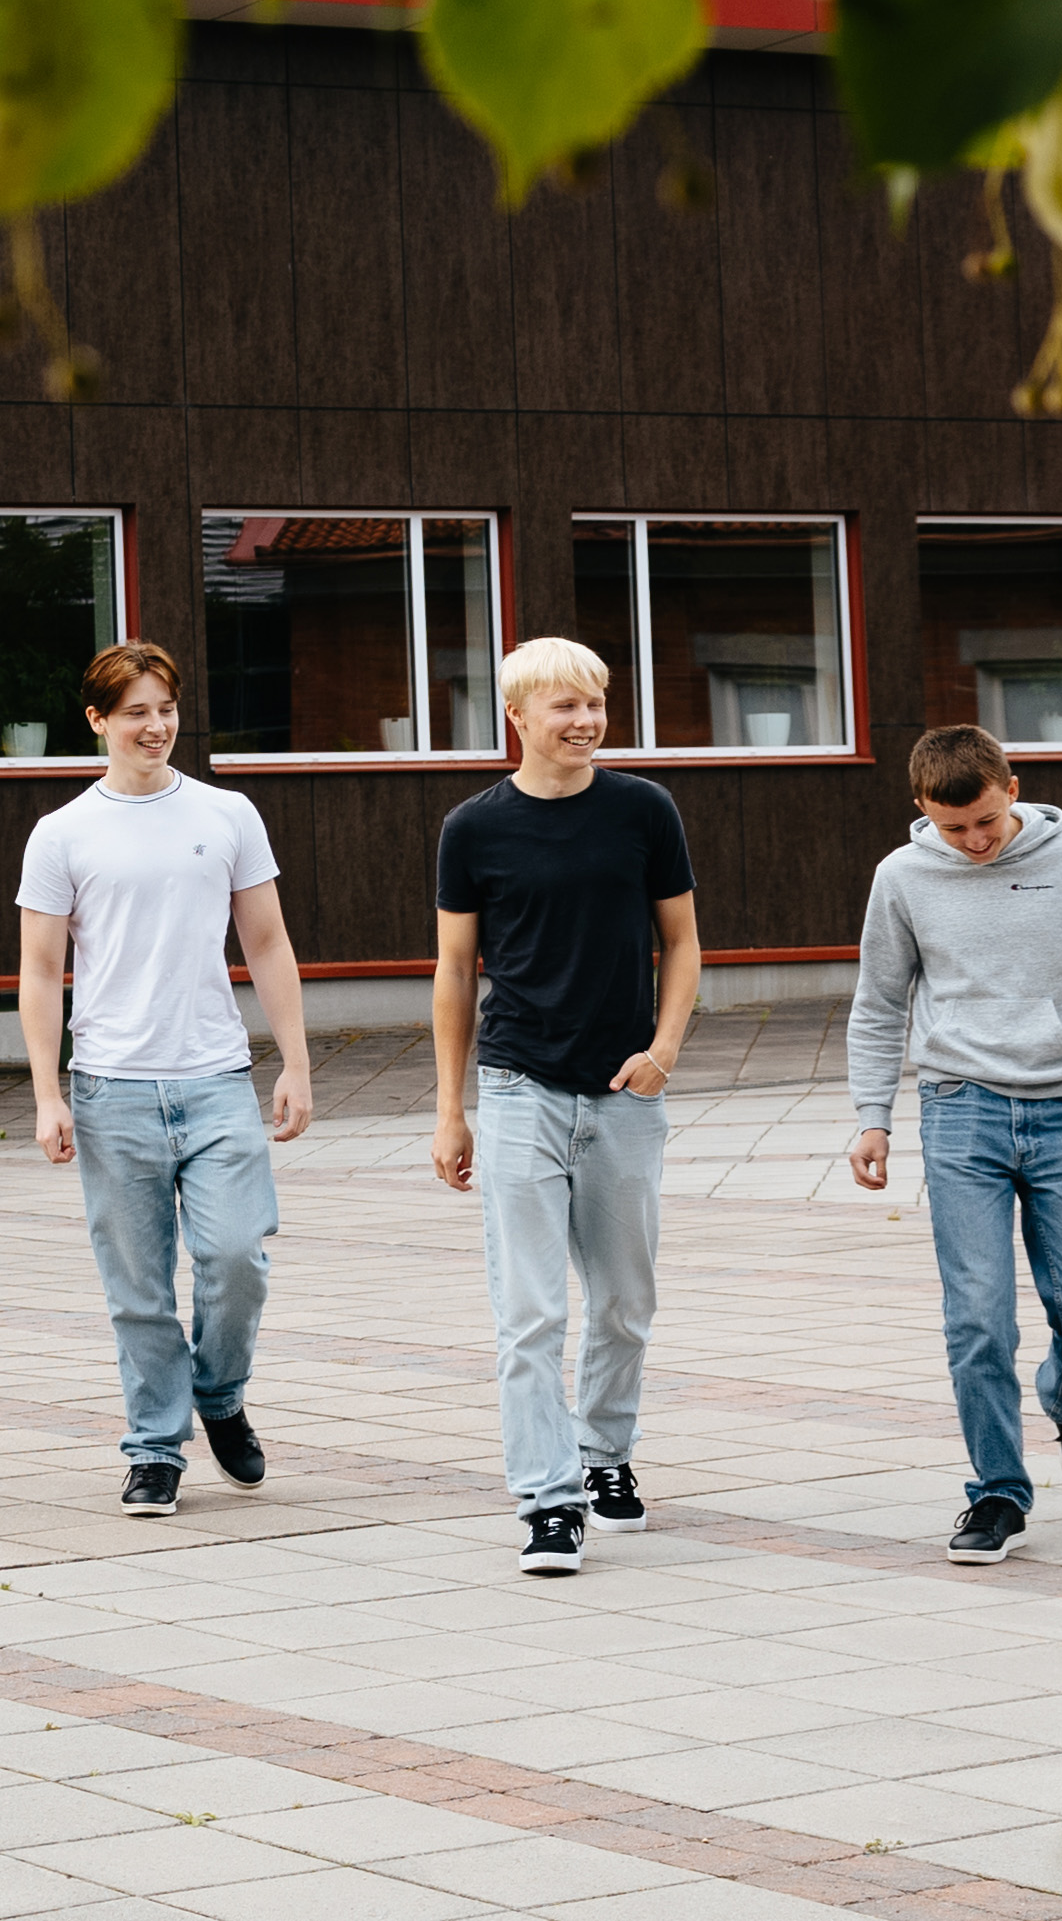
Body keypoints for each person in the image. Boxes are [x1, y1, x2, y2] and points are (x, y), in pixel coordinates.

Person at [846, 723, 1062, 1566]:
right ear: (922, 811)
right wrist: (871, 1115)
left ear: (1010, 790)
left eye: (984, 820)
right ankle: (996, 1494)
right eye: (954, 829)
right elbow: (878, 1003)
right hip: (958, 1111)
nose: (974, 842)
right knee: (977, 1321)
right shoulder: (901, 877)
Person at [19, 640, 316, 1515]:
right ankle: (155, 1448)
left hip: (215, 1078)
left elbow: (265, 943)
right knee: (138, 1290)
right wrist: (46, 1093)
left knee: (235, 1258)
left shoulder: (225, 814)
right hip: (110, 1088)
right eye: (136, 712)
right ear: (97, 721)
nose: (156, 727)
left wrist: (294, 1062)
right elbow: (39, 971)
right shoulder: (62, 833)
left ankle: (218, 1395)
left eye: (166, 708)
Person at [429, 636, 699, 1577]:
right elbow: (455, 972)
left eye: (595, 702)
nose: (584, 720)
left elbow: (683, 944)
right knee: (531, 1313)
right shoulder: (472, 829)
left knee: (624, 1302)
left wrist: (663, 1052)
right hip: (515, 1088)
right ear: (517, 716)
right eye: (564, 706)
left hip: (623, 1091)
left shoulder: (642, 810)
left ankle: (604, 1456)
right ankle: (547, 1502)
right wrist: (448, 1108)